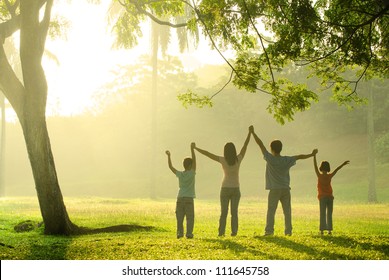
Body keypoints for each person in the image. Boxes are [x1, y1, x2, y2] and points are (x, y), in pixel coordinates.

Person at [250, 125, 317, 236]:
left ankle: (269, 231)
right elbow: (299, 156)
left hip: (274, 189)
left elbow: (260, 144)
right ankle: (288, 231)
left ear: (271, 148)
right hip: (285, 189)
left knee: (271, 210)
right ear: (281, 148)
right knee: (287, 211)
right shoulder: (287, 160)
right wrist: (311, 154)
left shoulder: (269, 158)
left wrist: (253, 133)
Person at [193, 128, 251, 237]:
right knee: (234, 212)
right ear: (234, 150)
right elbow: (245, 146)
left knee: (224, 212)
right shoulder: (238, 159)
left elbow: (208, 154)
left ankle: (221, 232)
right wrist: (250, 133)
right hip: (235, 189)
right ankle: (234, 232)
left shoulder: (222, 160)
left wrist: (196, 148)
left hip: (225, 188)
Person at [313, 152, 349, 235]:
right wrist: (343, 164)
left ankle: (322, 231)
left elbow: (315, 166)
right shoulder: (330, 176)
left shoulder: (319, 175)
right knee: (329, 213)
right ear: (328, 168)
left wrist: (314, 156)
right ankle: (329, 230)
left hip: (322, 197)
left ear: (321, 168)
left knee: (322, 213)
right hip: (330, 197)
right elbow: (337, 169)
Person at [165, 143, 196, 239]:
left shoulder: (180, 174)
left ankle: (179, 233)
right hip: (189, 198)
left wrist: (169, 156)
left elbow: (171, 167)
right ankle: (189, 234)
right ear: (190, 165)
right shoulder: (192, 173)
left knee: (179, 218)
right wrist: (192, 149)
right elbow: (195, 160)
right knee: (190, 218)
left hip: (180, 198)